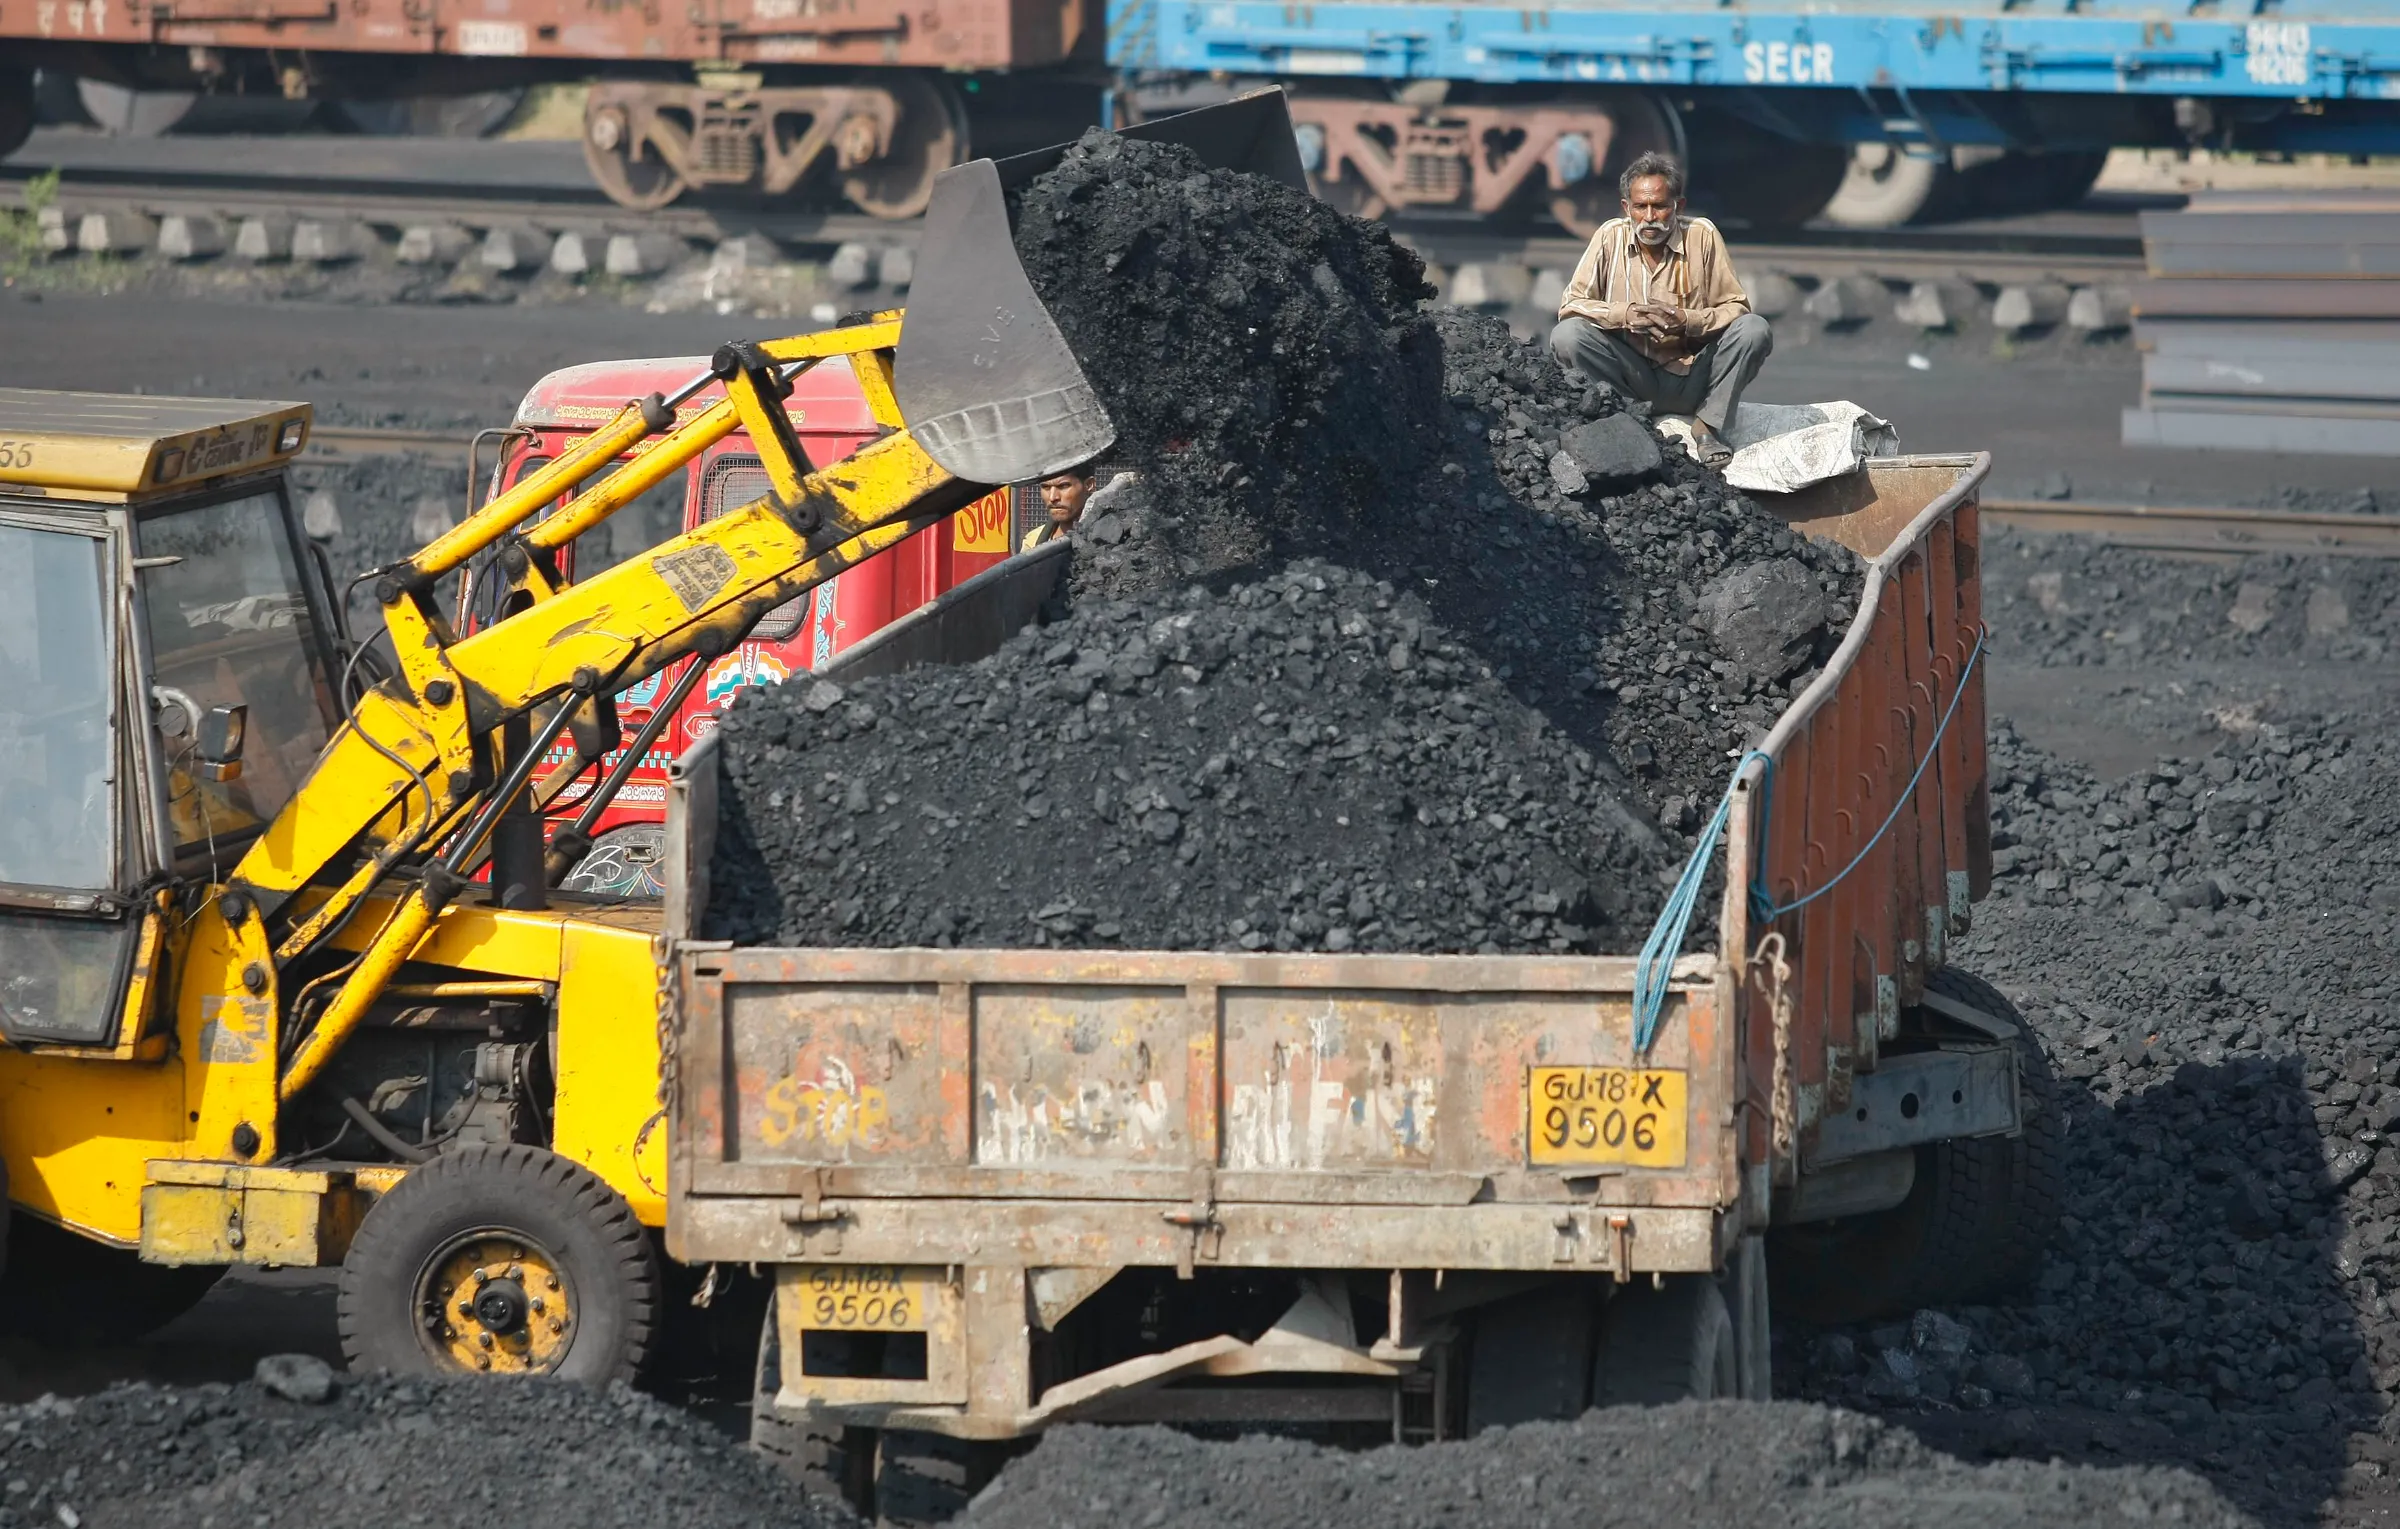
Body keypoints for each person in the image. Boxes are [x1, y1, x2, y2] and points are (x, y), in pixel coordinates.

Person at [1549, 151, 1773, 467]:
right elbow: (1571, 307)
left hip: (1695, 375)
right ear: (1627, 208)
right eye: (1641, 207)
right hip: (1631, 377)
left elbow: (1736, 307)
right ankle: (1623, 419)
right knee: (1569, 335)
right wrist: (1624, 317)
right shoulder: (1609, 237)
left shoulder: (1702, 235)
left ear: (1677, 207)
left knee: (1754, 329)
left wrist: (1689, 321)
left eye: (1660, 206)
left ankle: (1708, 428)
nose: (1650, 217)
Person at [1020, 461, 1096, 552]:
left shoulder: (1109, 537)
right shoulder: (1032, 541)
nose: (1052, 497)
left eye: (1063, 486)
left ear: (1089, 485)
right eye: (1046, 487)